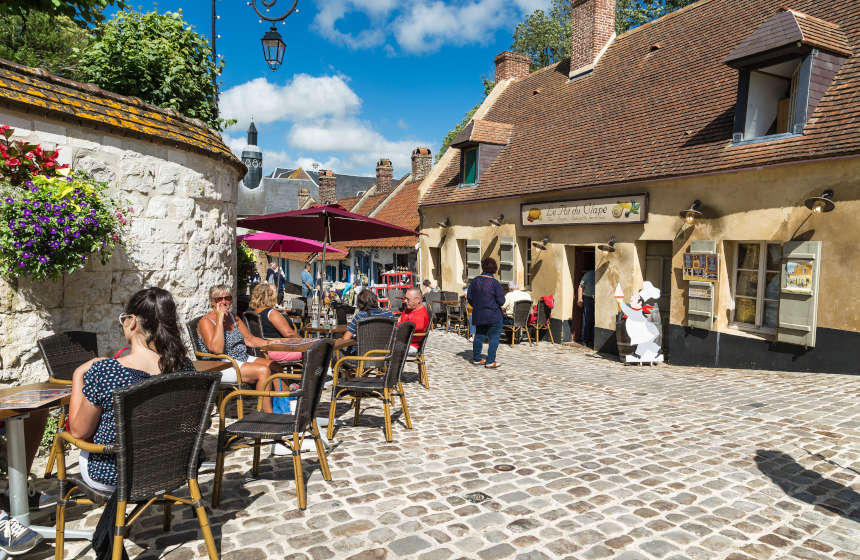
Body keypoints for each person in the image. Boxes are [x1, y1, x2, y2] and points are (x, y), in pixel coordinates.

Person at [68, 287, 194, 492]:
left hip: (117, 473)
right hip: (172, 466)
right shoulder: (184, 366)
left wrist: (78, 375)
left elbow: (78, 431)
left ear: (132, 321)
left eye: (123, 319)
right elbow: (191, 425)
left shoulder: (106, 371)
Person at [197, 285, 280, 413]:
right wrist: (219, 319)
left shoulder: (233, 317)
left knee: (275, 366)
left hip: (241, 358)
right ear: (212, 302)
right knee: (263, 371)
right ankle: (268, 416)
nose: (224, 302)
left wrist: (271, 343)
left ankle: (283, 408)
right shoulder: (206, 322)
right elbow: (217, 349)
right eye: (220, 299)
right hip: (222, 365)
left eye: (227, 298)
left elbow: (250, 339)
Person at [250, 283, 303, 363]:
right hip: (277, 350)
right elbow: (289, 334)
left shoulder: (252, 313)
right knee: (315, 351)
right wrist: (304, 342)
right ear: (272, 296)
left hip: (261, 351)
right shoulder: (271, 313)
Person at [467, 258, 505, 369]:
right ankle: (490, 361)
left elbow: (469, 297)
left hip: (479, 314)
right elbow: (501, 301)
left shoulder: (475, 281)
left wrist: (477, 306)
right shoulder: (495, 283)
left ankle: (477, 358)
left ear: (483, 267)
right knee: (494, 338)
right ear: (494, 269)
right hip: (493, 314)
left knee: (479, 336)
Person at [398, 287, 430, 354]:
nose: (405, 301)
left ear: (417, 300)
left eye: (408, 299)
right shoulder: (410, 308)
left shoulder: (420, 316)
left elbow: (403, 332)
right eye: (405, 298)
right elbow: (400, 321)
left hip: (409, 345)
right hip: (401, 342)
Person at [578, 267, 596, 347]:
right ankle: (585, 339)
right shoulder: (588, 274)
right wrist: (580, 299)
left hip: (597, 299)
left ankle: (591, 339)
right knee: (587, 319)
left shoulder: (600, 274)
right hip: (588, 298)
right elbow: (581, 286)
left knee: (593, 320)